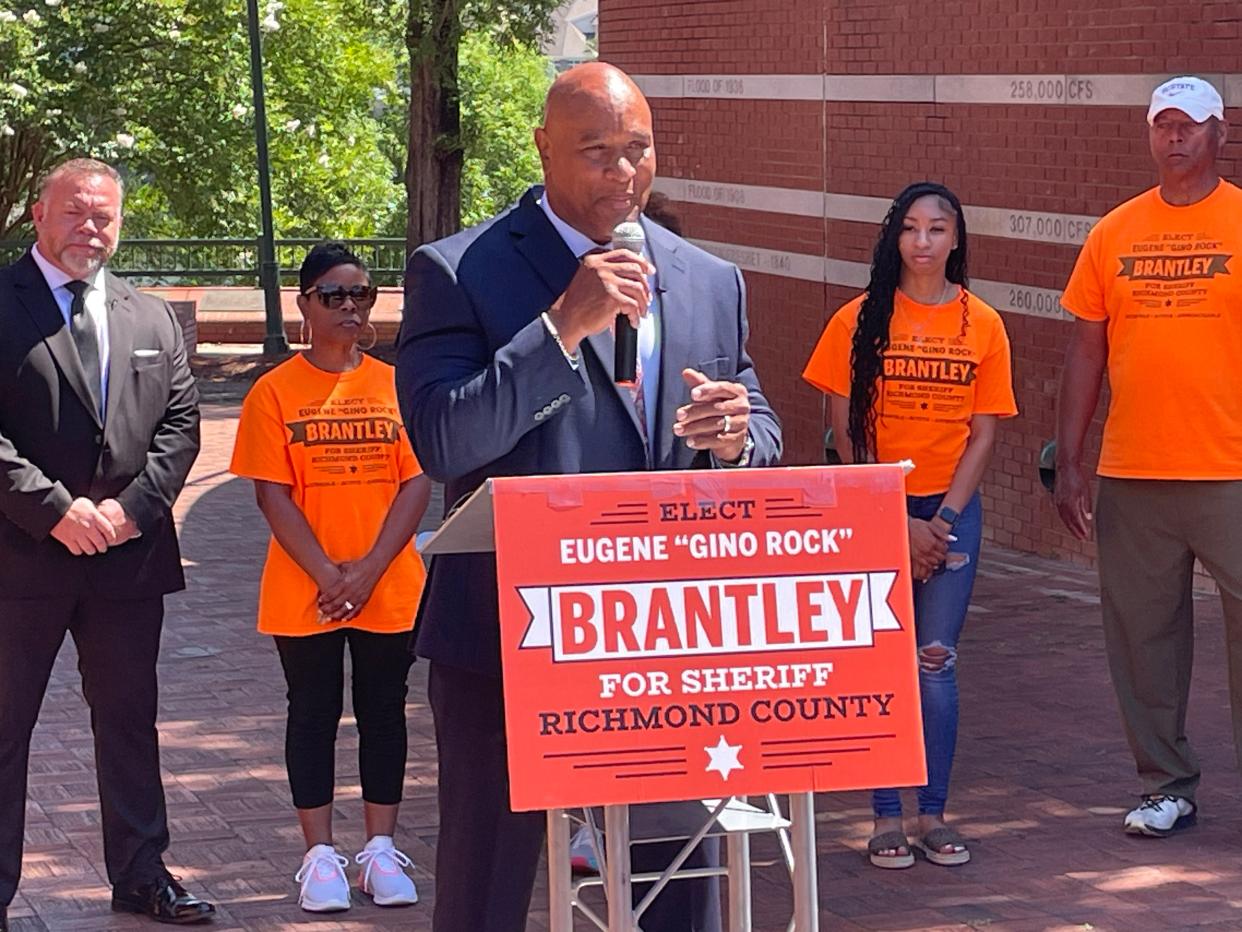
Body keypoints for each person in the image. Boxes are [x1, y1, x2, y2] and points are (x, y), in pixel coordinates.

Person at [397, 61, 781, 931]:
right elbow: (444, 437)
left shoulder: (709, 277)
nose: (622, 173)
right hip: (508, 630)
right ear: (541, 148)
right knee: (489, 887)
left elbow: (756, 419)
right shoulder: (460, 271)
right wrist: (559, 331)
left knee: (677, 887)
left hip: (662, 636)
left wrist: (737, 438)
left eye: (638, 151)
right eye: (596, 151)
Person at [0, 158, 211, 927]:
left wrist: (131, 511)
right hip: (18, 558)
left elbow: (182, 426)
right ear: (38, 213)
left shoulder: (148, 315)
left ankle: (141, 875)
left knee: (128, 721)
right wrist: (54, 508)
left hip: (129, 558)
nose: (91, 227)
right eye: (76, 212)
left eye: (106, 216)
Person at [803, 181, 1017, 869]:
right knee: (878, 661)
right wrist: (892, 515)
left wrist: (942, 518)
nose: (922, 242)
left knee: (934, 662)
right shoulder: (855, 321)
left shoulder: (982, 323)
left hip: (950, 512)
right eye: (911, 229)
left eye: (937, 230)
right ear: (894, 237)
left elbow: (983, 436)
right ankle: (884, 816)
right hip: (874, 507)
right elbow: (841, 434)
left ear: (956, 241)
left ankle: (934, 814)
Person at [1055, 76, 1240, 838]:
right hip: (1134, 469)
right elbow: (1086, 347)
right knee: (1143, 639)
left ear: (1219, 136)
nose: (1175, 138)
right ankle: (1166, 784)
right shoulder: (1115, 232)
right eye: (1163, 124)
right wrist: (1068, 459)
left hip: (1231, 470)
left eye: (1190, 126)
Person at [230, 243, 431, 911]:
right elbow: (272, 495)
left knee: (384, 714)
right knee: (312, 714)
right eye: (334, 295)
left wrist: (368, 572)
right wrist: (329, 575)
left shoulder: (396, 383)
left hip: (388, 582)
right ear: (305, 304)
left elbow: (415, 481)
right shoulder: (274, 392)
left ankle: (380, 852)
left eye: (361, 294)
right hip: (304, 588)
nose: (350, 306)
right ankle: (319, 857)